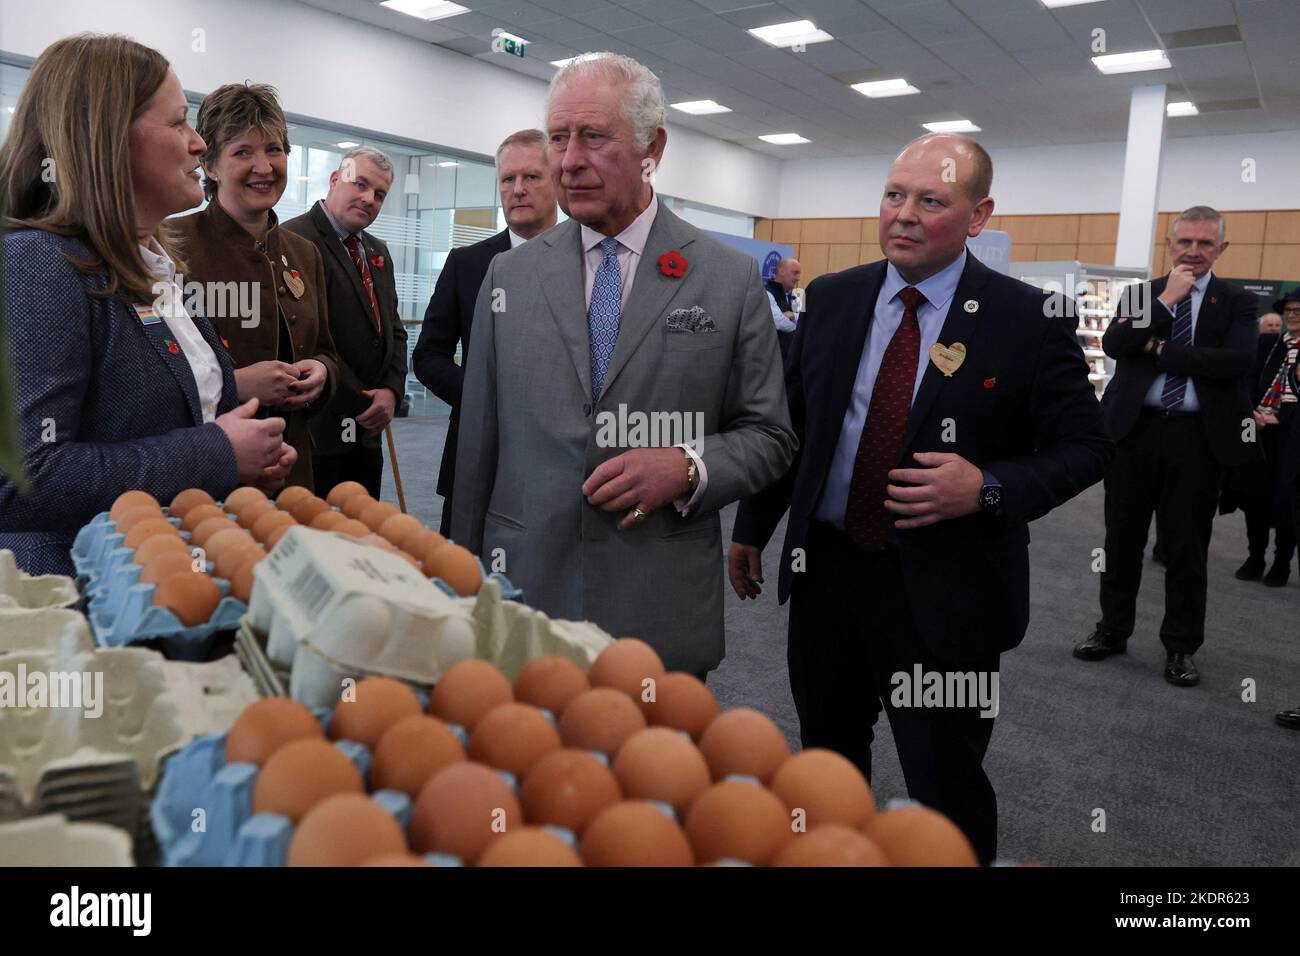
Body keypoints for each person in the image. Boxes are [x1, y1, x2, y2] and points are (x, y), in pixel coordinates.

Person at [729, 133, 1112, 864]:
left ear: (977, 214)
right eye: (893, 196)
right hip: (830, 578)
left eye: (930, 201)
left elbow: (1088, 447)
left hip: (949, 594)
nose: (902, 215)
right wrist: (754, 526)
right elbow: (798, 426)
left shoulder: (1028, 319)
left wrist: (989, 486)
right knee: (828, 761)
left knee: (944, 781)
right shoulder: (836, 298)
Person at [452, 53, 796, 677]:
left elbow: (770, 436)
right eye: (558, 138)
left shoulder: (727, 278)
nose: (569, 160)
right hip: (527, 590)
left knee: (653, 773)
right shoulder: (510, 275)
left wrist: (688, 466)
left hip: (656, 601)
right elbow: (478, 444)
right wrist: (462, 587)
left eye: (593, 137)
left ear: (651, 148)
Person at [0, 35, 293, 576]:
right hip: (86, 597)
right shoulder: (38, 263)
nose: (199, 143)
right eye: (179, 122)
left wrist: (248, 455)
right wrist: (219, 452)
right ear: (109, 139)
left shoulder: (149, 264)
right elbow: (24, 480)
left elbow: (189, 411)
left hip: (174, 567)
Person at [1076, 206, 1257, 686]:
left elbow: (1236, 362)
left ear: (1221, 248)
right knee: (1121, 541)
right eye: (1185, 242)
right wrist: (1167, 302)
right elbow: (1115, 343)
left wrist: (1160, 350)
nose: (1193, 251)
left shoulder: (1236, 301)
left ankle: (1180, 647)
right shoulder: (1145, 294)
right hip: (1136, 433)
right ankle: (1111, 630)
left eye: (1204, 243)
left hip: (1197, 440)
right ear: (1170, 244)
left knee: (1185, 548)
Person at [168, 83, 338, 491]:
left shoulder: (304, 253)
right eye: (243, 152)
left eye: (274, 150)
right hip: (209, 476)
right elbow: (153, 379)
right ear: (210, 166)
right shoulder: (170, 244)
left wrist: (322, 373)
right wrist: (238, 382)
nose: (264, 167)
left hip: (292, 468)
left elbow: (327, 349)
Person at [413, 129, 559, 534]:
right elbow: (427, 357)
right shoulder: (466, 264)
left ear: (558, 180)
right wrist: (484, 398)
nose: (518, 190)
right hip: (476, 456)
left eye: (532, 177)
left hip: (560, 463)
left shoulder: (590, 264)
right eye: (507, 179)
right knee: (464, 582)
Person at [284, 147, 406, 499]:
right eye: (361, 184)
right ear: (335, 180)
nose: (369, 199)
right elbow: (303, 336)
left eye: (379, 194)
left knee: (361, 537)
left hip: (368, 434)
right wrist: (364, 400)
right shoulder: (294, 241)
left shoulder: (377, 250)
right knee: (315, 540)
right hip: (316, 430)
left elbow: (393, 329)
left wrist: (393, 391)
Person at [1230, 289, 1300, 585]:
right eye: (1289, 310)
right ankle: (1255, 556)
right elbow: (1249, 378)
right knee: (1253, 494)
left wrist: (1281, 417)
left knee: (1289, 497)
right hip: (1259, 429)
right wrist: (1252, 412)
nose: (1293, 314)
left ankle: (1281, 562)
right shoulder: (1270, 342)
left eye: (1299, 310)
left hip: (1293, 434)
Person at [765, 257, 801, 361]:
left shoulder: (797, 294)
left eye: (799, 274)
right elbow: (779, 323)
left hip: (793, 359)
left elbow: (806, 320)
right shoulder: (766, 293)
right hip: (774, 360)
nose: (798, 278)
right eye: (795, 273)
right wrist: (798, 321)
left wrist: (793, 315)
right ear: (781, 271)